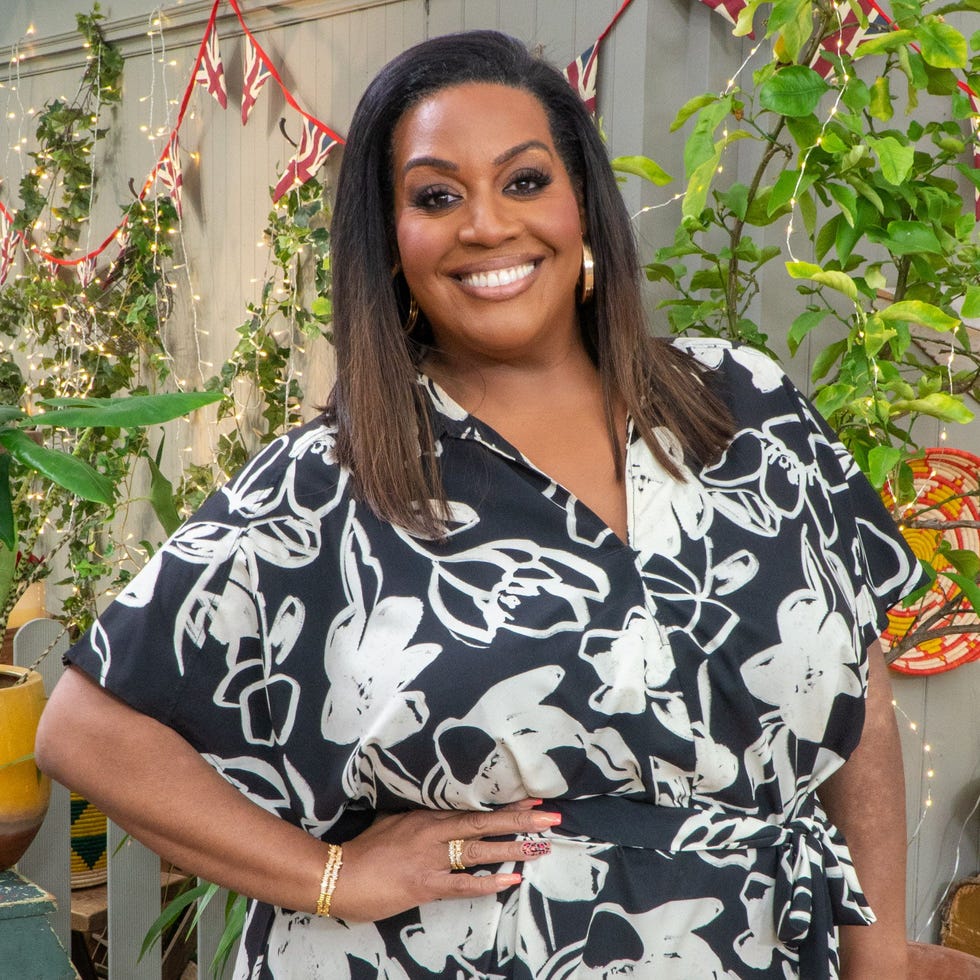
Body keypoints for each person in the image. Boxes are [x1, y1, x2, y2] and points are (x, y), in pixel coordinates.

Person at [37, 29, 923, 980]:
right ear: (391, 241)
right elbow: (84, 730)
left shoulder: (744, 405)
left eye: (525, 181)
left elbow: (860, 698)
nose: (488, 225)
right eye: (436, 196)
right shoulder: (334, 478)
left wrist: (879, 962)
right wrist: (334, 877)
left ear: (583, 206)